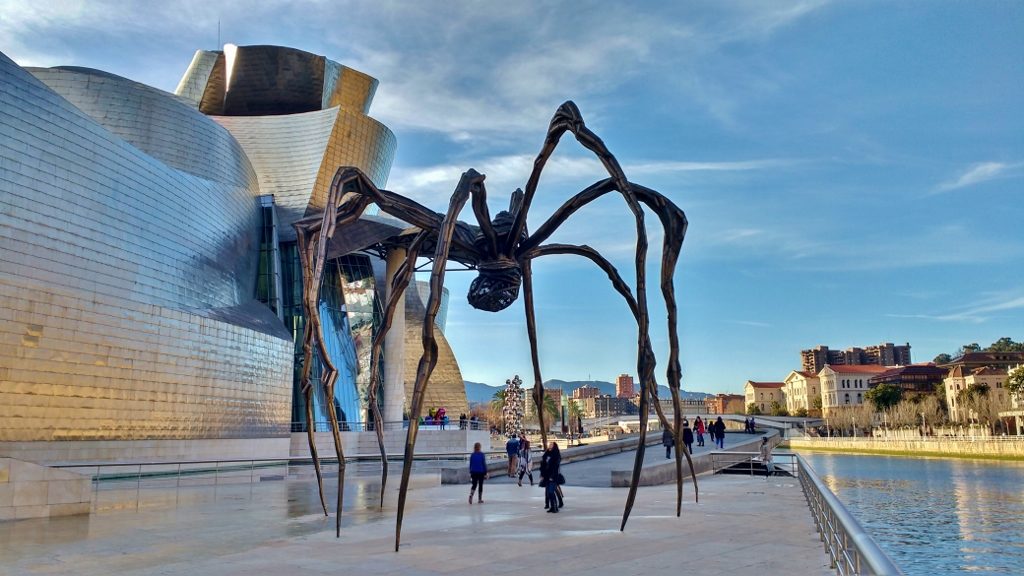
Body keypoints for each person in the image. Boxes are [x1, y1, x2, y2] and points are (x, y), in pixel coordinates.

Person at [541, 441, 562, 513]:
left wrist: (552, 476)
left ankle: (555, 507)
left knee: (551, 492)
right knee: (549, 492)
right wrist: (542, 475)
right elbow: (543, 465)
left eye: (551, 444)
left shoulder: (556, 455)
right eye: (549, 444)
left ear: (554, 446)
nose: (549, 445)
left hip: (553, 476)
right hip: (546, 476)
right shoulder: (546, 454)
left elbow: (556, 467)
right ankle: (552, 507)